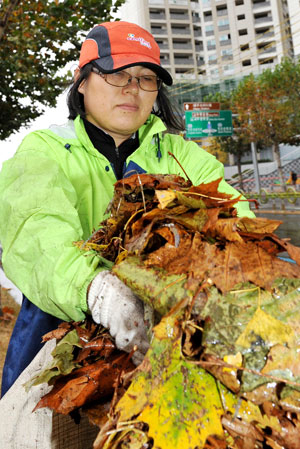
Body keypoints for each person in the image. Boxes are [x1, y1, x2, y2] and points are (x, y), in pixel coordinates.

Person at [0, 20, 255, 445]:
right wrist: (96, 289)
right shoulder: (46, 151)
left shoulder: (186, 159)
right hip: (60, 325)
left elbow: (236, 228)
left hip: (175, 339)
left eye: (146, 78)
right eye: (117, 74)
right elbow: (36, 233)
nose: (132, 88)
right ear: (82, 82)